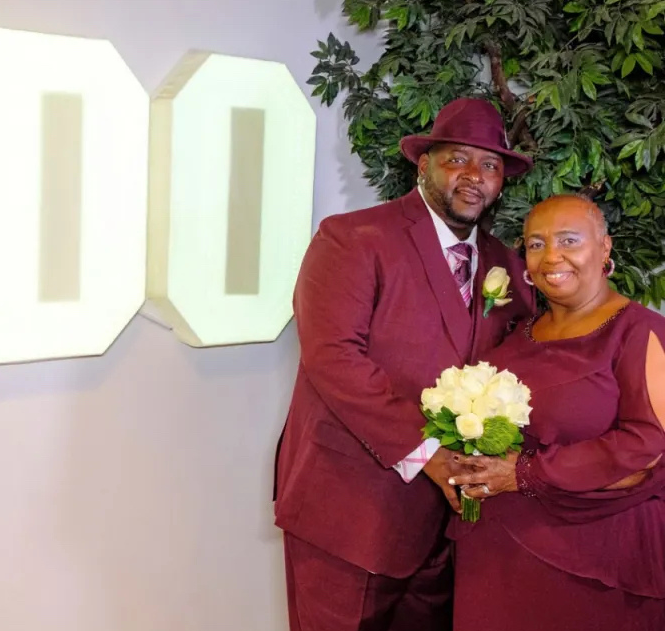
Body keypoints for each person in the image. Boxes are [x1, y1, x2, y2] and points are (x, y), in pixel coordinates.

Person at [273, 97, 536, 631]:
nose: (474, 177)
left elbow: (521, 359)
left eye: (489, 166)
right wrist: (430, 454)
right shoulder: (352, 238)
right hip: (350, 513)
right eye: (458, 158)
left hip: (449, 530)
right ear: (424, 164)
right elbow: (334, 359)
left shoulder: (505, 265)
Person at [447, 193, 665, 630]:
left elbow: (650, 448)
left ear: (604, 249)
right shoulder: (515, 335)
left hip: (593, 559)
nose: (551, 257)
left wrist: (525, 474)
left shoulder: (641, 330)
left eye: (569, 240)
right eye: (536, 244)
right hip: (495, 556)